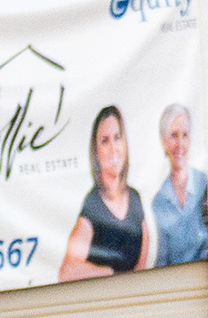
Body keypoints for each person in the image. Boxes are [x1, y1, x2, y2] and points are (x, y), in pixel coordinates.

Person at [59, 103, 145, 281]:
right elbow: (66, 272)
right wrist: (111, 274)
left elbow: (141, 267)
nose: (113, 148)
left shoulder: (135, 199)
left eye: (117, 137)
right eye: (105, 141)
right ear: (96, 152)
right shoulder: (93, 206)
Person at [149, 100, 208, 268]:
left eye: (185, 135)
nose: (180, 144)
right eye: (174, 136)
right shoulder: (158, 201)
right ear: (163, 142)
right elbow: (162, 259)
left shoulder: (205, 184)